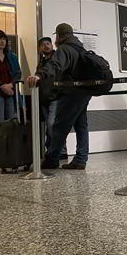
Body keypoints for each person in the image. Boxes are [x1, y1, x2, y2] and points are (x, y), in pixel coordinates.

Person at [27, 23, 93, 170]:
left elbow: (55, 65)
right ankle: (81, 159)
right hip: (84, 92)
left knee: (58, 127)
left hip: (71, 93)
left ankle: (51, 159)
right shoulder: (79, 47)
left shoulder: (64, 49)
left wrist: (39, 75)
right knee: (81, 126)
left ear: (59, 36)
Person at [36, 37, 67, 161]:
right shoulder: (41, 63)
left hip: (55, 97)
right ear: (39, 48)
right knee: (49, 127)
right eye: (43, 44)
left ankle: (61, 151)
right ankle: (51, 151)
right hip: (44, 98)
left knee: (52, 124)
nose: (46, 46)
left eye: (48, 43)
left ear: (52, 45)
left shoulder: (57, 59)